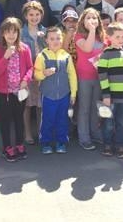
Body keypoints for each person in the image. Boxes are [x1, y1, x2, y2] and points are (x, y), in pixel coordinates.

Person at [0, 17, 33, 162]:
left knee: (18, 119)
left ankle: (20, 144)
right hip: (5, 93)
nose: (11, 35)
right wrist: (6, 56)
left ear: (18, 33)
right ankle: (7, 147)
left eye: (14, 32)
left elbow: (30, 68)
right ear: (2, 33)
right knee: (5, 120)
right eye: (8, 32)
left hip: (20, 92)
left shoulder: (24, 48)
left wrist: (25, 80)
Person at [34, 26, 77, 154]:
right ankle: (45, 143)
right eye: (52, 38)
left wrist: (73, 93)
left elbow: (72, 75)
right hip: (48, 95)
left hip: (64, 95)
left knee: (62, 119)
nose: (55, 41)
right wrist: (43, 73)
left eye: (58, 38)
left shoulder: (66, 56)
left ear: (62, 39)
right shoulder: (42, 56)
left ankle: (61, 142)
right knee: (47, 119)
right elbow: (36, 73)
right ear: (46, 40)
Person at [97, 22, 123, 158]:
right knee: (108, 122)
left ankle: (121, 145)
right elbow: (102, 75)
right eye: (117, 37)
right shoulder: (105, 54)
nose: (121, 39)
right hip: (110, 96)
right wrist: (106, 95)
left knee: (121, 122)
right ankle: (107, 145)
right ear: (109, 37)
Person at [75, 8, 105, 150]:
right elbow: (87, 49)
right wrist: (92, 31)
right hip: (84, 77)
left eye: (94, 18)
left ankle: (94, 132)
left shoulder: (102, 37)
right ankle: (84, 137)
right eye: (88, 18)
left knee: (95, 107)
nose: (92, 20)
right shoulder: (79, 36)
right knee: (84, 108)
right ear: (83, 21)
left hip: (99, 77)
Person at [20, 1, 46, 144]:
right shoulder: (21, 33)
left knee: (40, 104)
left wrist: (43, 39)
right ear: (26, 16)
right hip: (27, 72)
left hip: (42, 72)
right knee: (27, 104)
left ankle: (41, 131)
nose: (34, 17)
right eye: (31, 15)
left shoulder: (45, 31)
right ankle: (28, 133)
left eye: (37, 14)